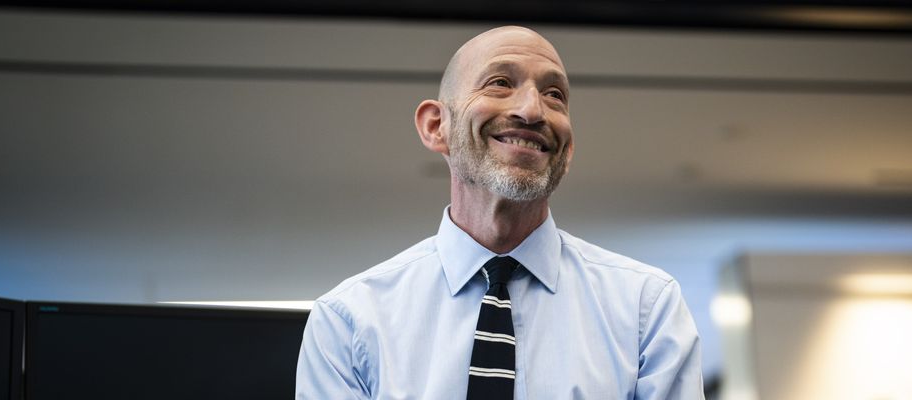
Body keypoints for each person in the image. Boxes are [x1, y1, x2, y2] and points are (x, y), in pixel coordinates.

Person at [295, 26, 703, 399]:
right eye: (500, 83)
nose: (532, 110)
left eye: (554, 94)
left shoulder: (646, 310)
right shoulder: (349, 321)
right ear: (436, 126)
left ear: (568, 148)